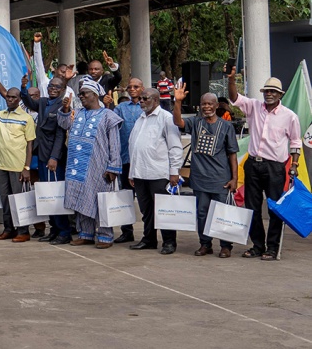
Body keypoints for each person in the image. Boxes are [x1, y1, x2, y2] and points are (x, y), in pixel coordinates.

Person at [227, 68, 302, 260]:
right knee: (252, 207)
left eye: (273, 91)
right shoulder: (254, 107)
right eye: (267, 91)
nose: (269, 94)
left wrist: (294, 165)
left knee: (274, 208)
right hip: (253, 164)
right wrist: (231, 80)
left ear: (280, 95)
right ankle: (257, 246)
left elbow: (295, 142)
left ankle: (272, 248)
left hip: (275, 168)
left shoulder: (289, 116)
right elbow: (234, 98)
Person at [173, 86, 239, 258]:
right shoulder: (196, 122)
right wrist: (178, 102)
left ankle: (225, 246)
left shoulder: (226, 126)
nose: (207, 107)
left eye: (210, 104)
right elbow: (178, 122)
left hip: (221, 179)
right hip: (200, 178)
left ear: (217, 105)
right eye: (204, 104)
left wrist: (235, 178)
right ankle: (205, 244)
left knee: (223, 213)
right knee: (202, 213)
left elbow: (232, 154)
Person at [57, 80, 124, 249]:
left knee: (100, 201)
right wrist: (65, 109)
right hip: (76, 166)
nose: (81, 96)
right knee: (81, 199)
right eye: (80, 94)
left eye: (84, 93)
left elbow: (115, 144)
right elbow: (64, 124)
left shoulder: (108, 116)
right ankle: (85, 234)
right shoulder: (77, 113)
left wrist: (113, 167)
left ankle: (105, 235)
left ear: (94, 95)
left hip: (98, 166)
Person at [0, 66, 36, 243]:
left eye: (13, 97)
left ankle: (23, 231)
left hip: (18, 167)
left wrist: (26, 168)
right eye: (8, 97)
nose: (9, 99)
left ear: (19, 99)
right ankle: (9, 229)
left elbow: (30, 145)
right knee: (5, 200)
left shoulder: (26, 118)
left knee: (19, 199)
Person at [126, 88, 185, 254]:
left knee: (164, 210)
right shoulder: (140, 118)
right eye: (141, 98)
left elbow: (175, 146)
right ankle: (149, 239)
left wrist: (174, 171)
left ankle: (169, 242)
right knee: (146, 210)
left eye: (145, 98)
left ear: (156, 100)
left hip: (159, 173)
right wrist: (132, 172)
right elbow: (134, 147)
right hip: (140, 173)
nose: (141, 101)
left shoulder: (166, 118)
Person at [20, 77, 71, 243]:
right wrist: (23, 87)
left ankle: (64, 231)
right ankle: (54, 229)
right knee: (47, 194)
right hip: (41, 155)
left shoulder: (63, 106)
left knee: (55, 195)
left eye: (57, 86)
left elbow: (60, 134)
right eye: (51, 86)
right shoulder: (42, 102)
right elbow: (28, 102)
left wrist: (54, 157)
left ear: (63, 89)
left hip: (53, 157)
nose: (53, 89)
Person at [111, 78, 145, 244]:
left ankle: (149, 234)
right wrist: (108, 105)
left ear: (142, 88)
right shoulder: (121, 107)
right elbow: (111, 123)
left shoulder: (148, 107)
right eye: (130, 87)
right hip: (125, 158)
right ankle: (127, 232)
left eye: (136, 87)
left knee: (145, 199)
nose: (132, 89)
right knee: (126, 197)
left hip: (144, 161)